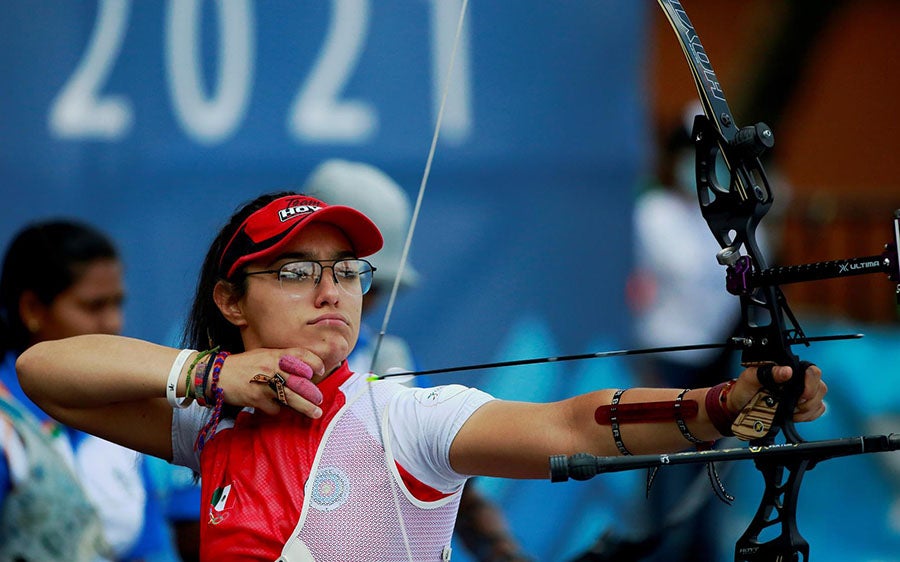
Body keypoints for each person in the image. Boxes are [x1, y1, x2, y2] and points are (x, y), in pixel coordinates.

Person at [16, 192, 827, 561]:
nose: (332, 289)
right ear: (231, 299)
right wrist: (210, 375)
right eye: (296, 271)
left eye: (347, 271)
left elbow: (569, 425)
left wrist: (722, 403)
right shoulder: (210, 424)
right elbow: (45, 373)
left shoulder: (404, 417)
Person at [304, 159, 532, 561]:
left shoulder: (393, 363)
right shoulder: (238, 374)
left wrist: (502, 549)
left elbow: (452, 480)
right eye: (344, 273)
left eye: (371, 282)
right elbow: (199, 529)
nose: (357, 299)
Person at [0, 220, 172, 561]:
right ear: (32, 309)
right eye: (93, 306)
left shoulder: (127, 413)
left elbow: (151, 551)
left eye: (117, 304)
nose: (113, 323)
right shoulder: (7, 427)